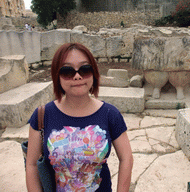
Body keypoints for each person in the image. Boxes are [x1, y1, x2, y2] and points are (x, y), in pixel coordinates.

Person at [26, 43, 133, 191]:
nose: (77, 76)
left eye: (85, 69)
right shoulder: (42, 115)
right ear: (57, 76)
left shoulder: (110, 114)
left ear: (94, 73)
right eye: (67, 71)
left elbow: (126, 158)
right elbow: (31, 164)